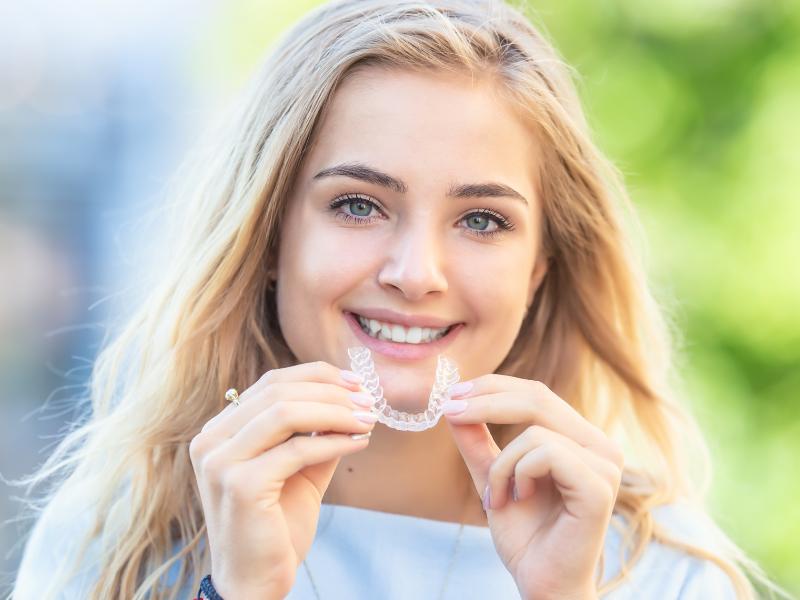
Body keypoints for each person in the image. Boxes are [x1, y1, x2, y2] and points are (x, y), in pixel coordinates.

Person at [10, 1, 790, 599]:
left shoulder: (664, 572)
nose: (417, 273)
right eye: (358, 204)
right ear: (270, 235)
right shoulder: (109, 543)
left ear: (540, 268)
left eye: (481, 220)